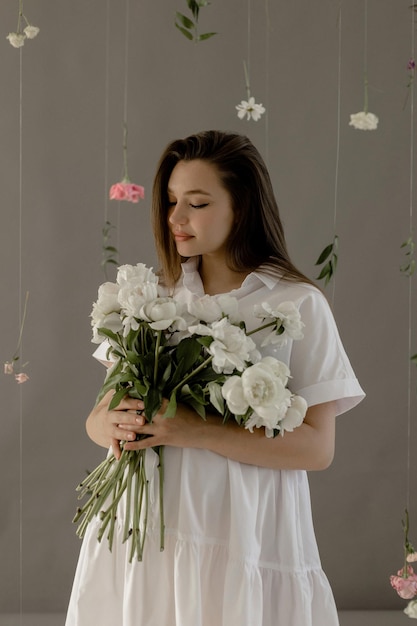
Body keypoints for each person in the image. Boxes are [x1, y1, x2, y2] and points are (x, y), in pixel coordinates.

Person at [65, 130, 365, 626]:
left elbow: (317, 449)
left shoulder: (297, 304)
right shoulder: (150, 296)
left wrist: (195, 430)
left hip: (246, 529)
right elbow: (100, 416)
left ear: (241, 207)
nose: (176, 218)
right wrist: (108, 427)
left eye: (197, 203)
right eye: (171, 201)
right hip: (146, 527)